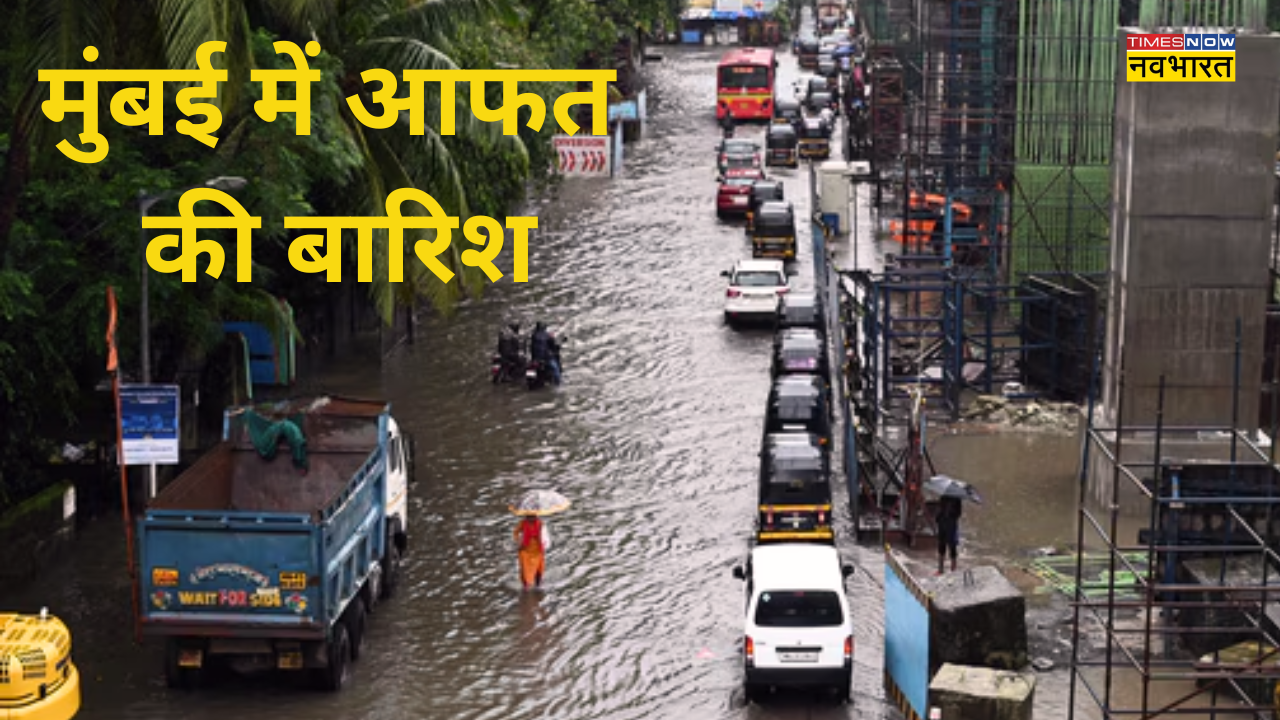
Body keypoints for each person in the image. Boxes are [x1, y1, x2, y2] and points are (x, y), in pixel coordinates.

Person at [514, 514, 551, 589]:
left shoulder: (541, 524)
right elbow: (515, 533)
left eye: (533, 517)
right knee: (526, 570)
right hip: (526, 550)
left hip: (537, 550)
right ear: (526, 517)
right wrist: (518, 542)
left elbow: (544, 537)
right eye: (529, 517)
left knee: (538, 569)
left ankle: (537, 585)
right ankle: (527, 586)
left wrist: (544, 544)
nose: (531, 519)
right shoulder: (522, 523)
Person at [935, 495, 962, 575]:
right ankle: (940, 569)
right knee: (941, 545)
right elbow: (940, 509)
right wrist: (939, 517)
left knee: (952, 546)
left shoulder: (957, 499)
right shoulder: (943, 496)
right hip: (942, 523)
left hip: (951, 524)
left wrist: (951, 513)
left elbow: (958, 513)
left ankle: (953, 568)